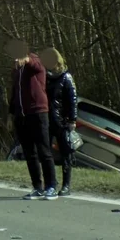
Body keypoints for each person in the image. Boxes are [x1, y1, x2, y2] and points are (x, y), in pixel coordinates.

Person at [9, 45, 58, 200]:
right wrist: (11, 114)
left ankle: (51, 186)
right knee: (29, 154)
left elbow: (34, 64)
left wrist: (27, 59)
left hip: (38, 113)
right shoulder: (17, 70)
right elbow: (15, 92)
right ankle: (37, 187)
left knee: (44, 151)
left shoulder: (37, 62)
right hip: (21, 116)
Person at [42, 47, 78, 197]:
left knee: (66, 154)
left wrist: (72, 120)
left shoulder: (66, 77)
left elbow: (73, 100)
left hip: (62, 121)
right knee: (45, 153)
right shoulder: (44, 76)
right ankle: (50, 183)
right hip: (46, 119)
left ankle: (66, 185)